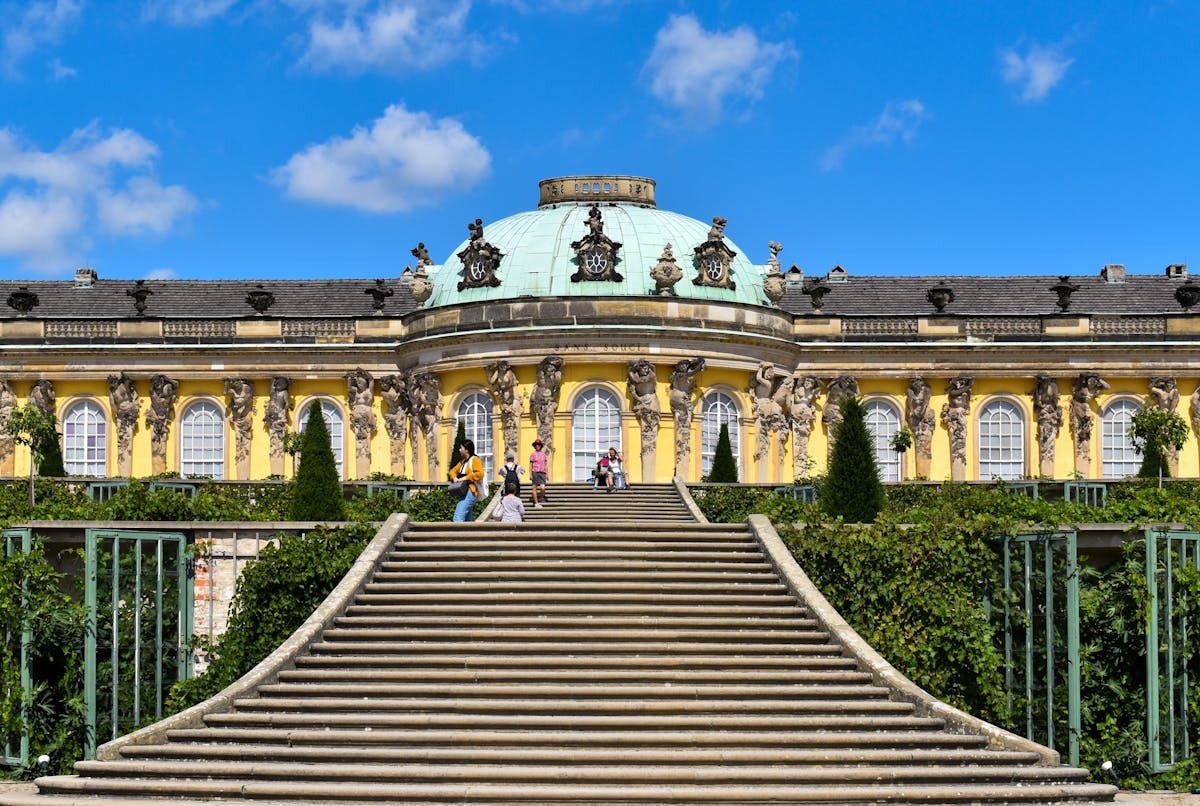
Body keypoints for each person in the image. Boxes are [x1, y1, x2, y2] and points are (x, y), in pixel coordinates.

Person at [449, 439, 485, 522]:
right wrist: (454, 477)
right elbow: (452, 471)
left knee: (458, 518)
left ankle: (457, 535)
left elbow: (480, 474)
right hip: (463, 491)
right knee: (467, 520)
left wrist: (465, 478)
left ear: (467, 450)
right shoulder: (463, 462)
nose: (459, 450)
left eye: (461, 448)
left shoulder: (475, 459)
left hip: (470, 491)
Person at [529, 439, 549, 507]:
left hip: (542, 472)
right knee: (534, 487)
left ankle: (541, 497)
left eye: (538, 445)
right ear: (535, 446)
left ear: (540, 446)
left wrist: (547, 474)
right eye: (536, 445)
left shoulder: (543, 454)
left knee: (543, 487)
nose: (537, 446)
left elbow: (546, 465)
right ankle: (536, 503)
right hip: (535, 472)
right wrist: (530, 474)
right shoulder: (533, 454)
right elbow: (530, 465)